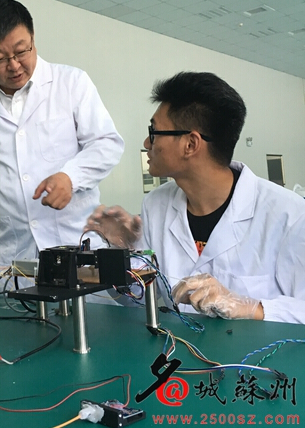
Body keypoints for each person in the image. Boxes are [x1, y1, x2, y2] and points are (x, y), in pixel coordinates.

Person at [85, 71, 305, 324]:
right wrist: (121, 253)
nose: (147, 142)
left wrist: (250, 308)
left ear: (190, 144)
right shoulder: (156, 205)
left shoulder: (289, 215)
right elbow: (138, 298)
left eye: (154, 131)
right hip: (178, 347)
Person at [0, 0, 124, 280]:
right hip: (16, 254)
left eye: (21, 51)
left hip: (77, 243)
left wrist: (71, 177)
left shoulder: (71, 83)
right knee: (21, 307)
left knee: (86, 307)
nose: (14, 65)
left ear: (33, 38)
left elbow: (106, 143)